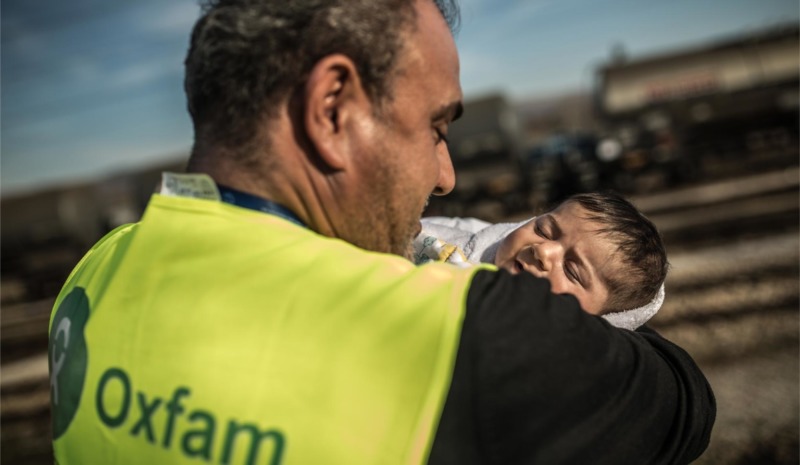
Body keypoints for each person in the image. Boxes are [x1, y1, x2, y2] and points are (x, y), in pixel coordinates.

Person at [47, 1, 715, 464]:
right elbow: (686, 404)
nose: (446, 174)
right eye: (436, 127)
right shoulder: (461, 331)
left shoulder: (94, 275)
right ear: (331, 108)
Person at [414, 191, 667, 330]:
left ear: (606, 319)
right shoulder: (445, 239)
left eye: (571, 270)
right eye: (544, 230)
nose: (543, 251)